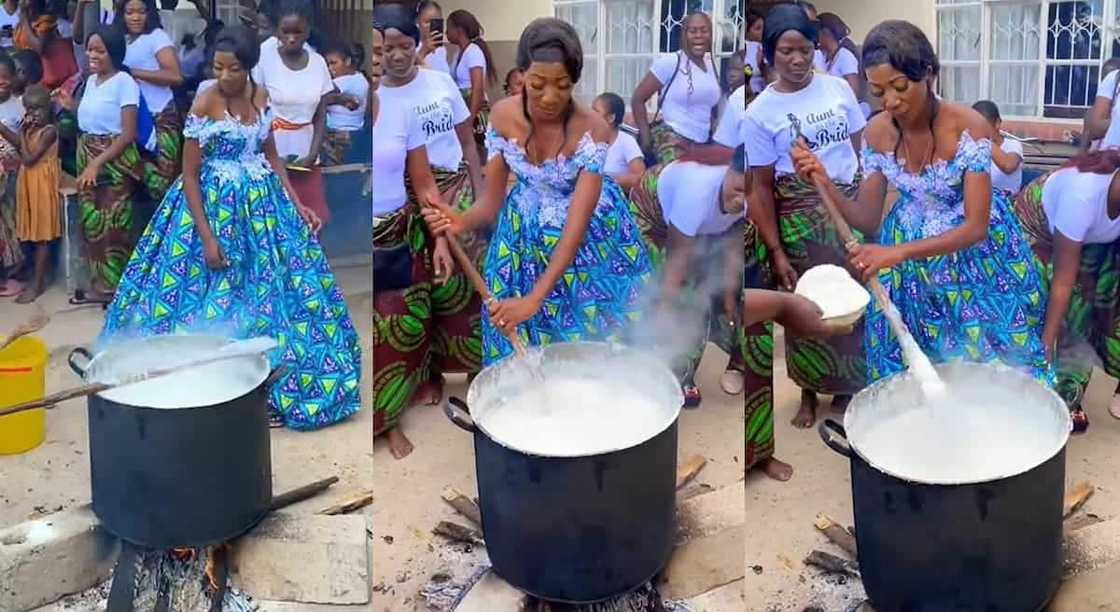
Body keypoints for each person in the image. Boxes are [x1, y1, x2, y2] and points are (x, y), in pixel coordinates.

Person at [102, 24, 360, 431]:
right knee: (205, 299)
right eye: (218, 68)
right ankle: (209, 385)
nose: (224, 76)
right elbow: (189, 175)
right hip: (212, 211)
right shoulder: (204, 104)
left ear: (249, 68)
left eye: (233, 69)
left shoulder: (261, 98)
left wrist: (298, 204)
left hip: (263, 212)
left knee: (281, 296)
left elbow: (272, 157)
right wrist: (206, 236)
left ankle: (268, 384)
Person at [791, 20, 1052, 388]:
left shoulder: (968, 126)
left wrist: (895, 253)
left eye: (900, 87)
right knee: (918, 365)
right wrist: (822, 178)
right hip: (910, 271)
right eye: (879, 92)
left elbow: (975, 227)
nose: (891, 102)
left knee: (987, 362)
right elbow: (865, 218)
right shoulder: (877, 132)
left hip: (975, 259)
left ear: (927, 73)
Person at [422, 17, 653, 366]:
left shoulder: (593, 129)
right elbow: (492, 200)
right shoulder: (502, 116)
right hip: (523, 238)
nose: (550, 97)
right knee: (522, 348)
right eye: (537, 83)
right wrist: (460, 221)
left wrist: (535, 298)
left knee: (591, 344)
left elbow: (578, 222)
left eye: (562, 85)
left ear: (575, 80)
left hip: (589, 244)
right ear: (522, 76)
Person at [744, 5, 867, 427]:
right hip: (797, 218)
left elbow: (857, 147)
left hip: (846, 208)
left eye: (805, 50)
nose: (797, 60)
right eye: (786, 52)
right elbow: (759, 186)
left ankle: (847, 387)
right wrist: (776, 249)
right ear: (769, 55)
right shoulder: (760, 112)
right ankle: (809, 391)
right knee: (806, 304)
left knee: (852, 300)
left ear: (817, 48)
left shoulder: (838, 90)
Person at [375, 7, 487, 424]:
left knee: (469, 287)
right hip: (411, 206)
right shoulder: (380, 98)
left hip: (456, 193)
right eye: (389, 49)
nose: (399, 55)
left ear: (416, 42)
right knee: (426, 293)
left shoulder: (441, 83)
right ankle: (431, 375)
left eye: (406, 45)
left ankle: (477, 368)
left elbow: (469, 144)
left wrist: (479, 197)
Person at [628, 144, 746, 405]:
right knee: (666, 289)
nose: (741, 201)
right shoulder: (696, 192)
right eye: (738, 190)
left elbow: (733, 248)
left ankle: (683, 372)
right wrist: (666, 307)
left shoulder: (753, 199)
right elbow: (677, 262)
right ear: (729, 171)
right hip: (653, 210)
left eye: (749, 196)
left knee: (706, 292)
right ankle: (647, 364)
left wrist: (728, 296)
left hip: (703, 226)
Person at [1013, 151, 1120, 429]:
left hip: (1089, 240)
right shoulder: (1082, 196)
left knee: (1097, 303)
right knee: (1056, 309)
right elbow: (1063, 281)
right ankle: (1035, 387)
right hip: (1036, 233)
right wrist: (1047, 344)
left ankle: (1068, 390)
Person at [53, 24, 144, 305]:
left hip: (113, 163)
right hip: (88, 157)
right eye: (90, 49)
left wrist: (97, 164)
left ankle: (118, 292)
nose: (92, 55)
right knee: (93, 227)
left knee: (114, 228)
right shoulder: (91, 82)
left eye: (99, 50)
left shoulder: (125, 83)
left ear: (114, 53)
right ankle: (101, 287)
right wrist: (71, 106)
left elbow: (128, 134)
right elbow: (91, 118)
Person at [252, 0, 335, 226]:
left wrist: (312, 153)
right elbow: (257, 108)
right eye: (285, 32)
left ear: (308, 30)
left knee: (316, 219)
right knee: (277, 220)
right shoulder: (264, 58)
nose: (291, 38)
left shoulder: (318, 63)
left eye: (297, 32)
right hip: (270, 155)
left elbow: (320, 115)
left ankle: (312, 261)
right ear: (276, 30)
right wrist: (268, 151)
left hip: (306, 156)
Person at [631, 11, 719, 165]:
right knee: (679, 181)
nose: (699, 35)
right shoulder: (670, 62)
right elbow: (638, 99)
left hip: (702, 142)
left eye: (704, 30)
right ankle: (642, 186)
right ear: (684, 35)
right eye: (693, 31)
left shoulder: (711, 66)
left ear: (710, 35)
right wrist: (645, 137)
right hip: (672, 138)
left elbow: (707, 105)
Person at [120, 0, 183, 204]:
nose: (136, 17)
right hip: (132, 116)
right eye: (130, 12)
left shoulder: (157, 37)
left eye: (141, 12)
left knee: (164, 179)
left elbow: (175, 76)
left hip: (160, 116)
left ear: (150, 13)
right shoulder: (121, 39)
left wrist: (133, 73)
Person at [8, 85, 59, 303]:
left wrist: (22, 132)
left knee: (42, 234)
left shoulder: (49, 132)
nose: (34, 114)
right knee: (29, 232)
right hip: (29, 182)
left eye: (38, 109)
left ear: (49, 108)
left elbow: (28, 159)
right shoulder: (30, 129)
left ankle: (37, 284)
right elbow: (21, 145)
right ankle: (33, 276)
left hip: (42, 184)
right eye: (29, 110)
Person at [446, 9, 494, 159]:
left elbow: (477, 87)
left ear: (459, 30)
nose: (446, 33)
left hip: (473, 110)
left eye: (449, 28)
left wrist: (470, 117)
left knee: (476, 153)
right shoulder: (457, 53)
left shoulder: (474, 52)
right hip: (462, 108)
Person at [321, 40, 368, 166]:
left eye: (334, 63)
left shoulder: (346, 80)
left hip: (340, 135)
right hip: (350, 133)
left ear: (347, 61)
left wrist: (334, 99)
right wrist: (340, 99)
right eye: (328, 64)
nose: (330, 69)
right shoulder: (359, 77)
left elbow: (318, 97)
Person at [14, 0, 78, 91]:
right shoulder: (23, 21)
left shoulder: (46, 21)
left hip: (52, 72)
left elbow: (39, 48)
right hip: (30, 73)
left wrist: (24, 18)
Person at [816, 12, 866, 117]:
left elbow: (854, 93)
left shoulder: (845, 56)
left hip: (851, 113)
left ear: (825, 33)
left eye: (816, 33)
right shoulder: (825, 57)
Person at [593, 92, 644, 192]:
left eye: (596, 112)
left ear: (611, 118)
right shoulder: (586, 141)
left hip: (614, 201)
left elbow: (639, 177)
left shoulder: (626, 141)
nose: (591, 115)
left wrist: (605, 180)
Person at [0, 53, 20, 297]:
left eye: (5, 77)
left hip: (10, 176)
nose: (1, 82)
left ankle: (6, 275)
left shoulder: (19, 106)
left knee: (7, 226)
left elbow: (25, 143)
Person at [973, 100, 1024, 197]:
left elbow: (1008, 166)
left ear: (997, 123)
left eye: (983, 126)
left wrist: (984, 140)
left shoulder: (1012, 145)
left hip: (1007, 205)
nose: (976, 131)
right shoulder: (972, 148)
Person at [1081, 57, 1120, 152]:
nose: (1106, 77)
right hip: (1103, 157)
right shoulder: (1092, 112)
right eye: (1105, 74)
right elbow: (1087, 138)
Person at [415, 0, 450, 75]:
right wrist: (423, 52)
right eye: (427, 22)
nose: (431, 26)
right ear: (418, 21)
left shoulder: (441, 49)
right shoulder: (411, 46)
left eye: (436, 21)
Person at [744, 10, 765, 97]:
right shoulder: (743, 48)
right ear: (746, 30)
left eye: (763, 28)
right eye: (757, 28)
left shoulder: (763, 47)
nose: (762, 32)